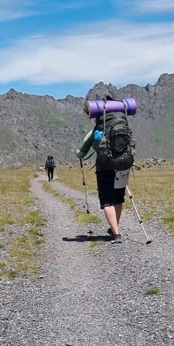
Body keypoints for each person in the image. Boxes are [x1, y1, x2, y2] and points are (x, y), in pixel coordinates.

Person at [76, 98, 131, 245]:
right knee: (119, 198)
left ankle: (116, 233)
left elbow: (80, 153)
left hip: (104, 167)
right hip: (123, 165)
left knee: (107, 201)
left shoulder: (96, 131)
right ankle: (114, 227)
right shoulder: (123, 125)